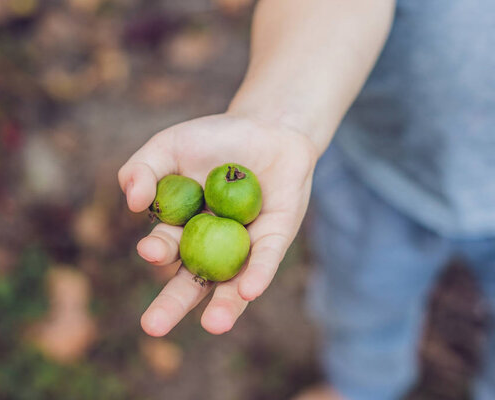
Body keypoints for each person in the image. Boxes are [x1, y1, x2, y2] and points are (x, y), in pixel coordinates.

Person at [118, 1, 495, 399]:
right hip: (383, 180)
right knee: (363, 304)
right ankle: (360, 385)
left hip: (387, 172)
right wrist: (277, 117)